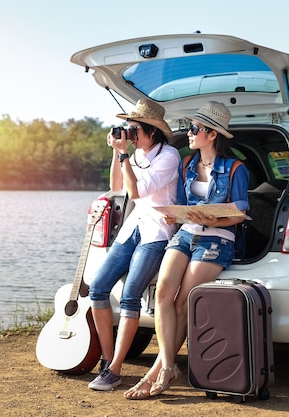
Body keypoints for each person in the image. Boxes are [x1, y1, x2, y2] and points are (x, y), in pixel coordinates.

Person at [124, 101, 250, 399]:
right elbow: (181, 205)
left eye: (194, 129)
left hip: (218, 238)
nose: (189, 133)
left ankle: (157, 371)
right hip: (186, 234)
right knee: (164, 293)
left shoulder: (235, 168)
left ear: (211, 134)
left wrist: (213, 217)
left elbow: (241, 214)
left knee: (184, 301)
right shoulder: (186, 165)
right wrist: (174, 215)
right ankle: (169, 366)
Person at [87, 98, 181, 391]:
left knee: (130, 296)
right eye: (127, 129)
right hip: (134, 228)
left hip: (156, 233)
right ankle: (107, 360)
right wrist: (117, 154)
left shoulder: (169, 156)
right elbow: (117, 187)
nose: (129, 134)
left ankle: (115, 370)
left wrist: (125, 155)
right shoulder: (135, 154)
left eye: (134, 129)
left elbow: (138, 192)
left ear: (152, 131)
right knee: (98, 288)